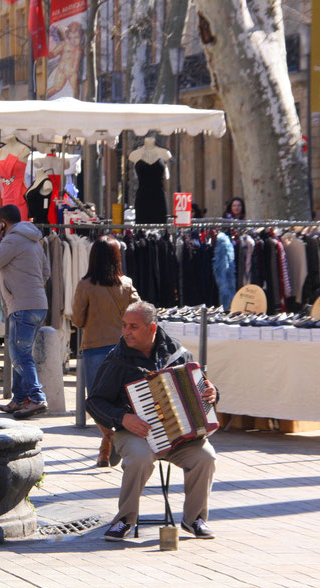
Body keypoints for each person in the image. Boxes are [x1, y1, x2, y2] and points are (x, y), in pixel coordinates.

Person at [87, 301, 219, 541]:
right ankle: (124, 520)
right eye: (124, 325)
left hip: (179, 436)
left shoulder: (178, 354)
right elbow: (94, 402)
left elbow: (201, 387)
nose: (126, 331)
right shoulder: (117, 360)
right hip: (135, 433)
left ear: (151, 329)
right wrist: (123, 418)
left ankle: (195, 520)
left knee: (206, 457)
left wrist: (212, 394)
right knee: (139, 458)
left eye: (133, 327)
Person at [72, 236, 141, 467]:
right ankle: (109, 446)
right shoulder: (127, 283)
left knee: (95, 401)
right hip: (124, 350)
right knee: (122, 401)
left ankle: (108, 439)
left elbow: (78, 321)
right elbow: (138, 313)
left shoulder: (85, 285)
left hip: (95, 349)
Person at [0, 204, 51, 419]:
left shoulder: (12, 240)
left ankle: (37, 397)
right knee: (19, 353)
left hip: (22, 305)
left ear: (2, 223)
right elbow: (46, 272)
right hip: (38, 303)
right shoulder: (35, 240)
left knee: (20, 354)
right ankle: (19, 398)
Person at [128, 138, 171, 224]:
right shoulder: (134, 155)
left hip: (159, 197)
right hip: (142, 198)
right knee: (141, 228)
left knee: (162, 226)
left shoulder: (165, 153)